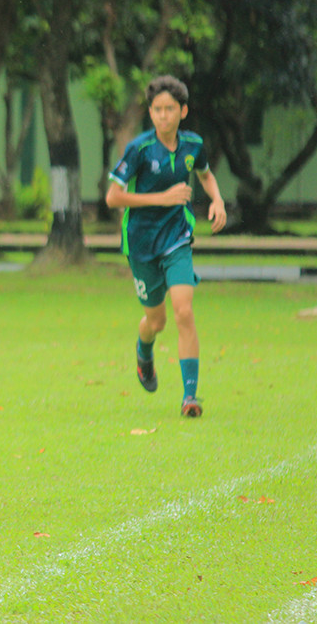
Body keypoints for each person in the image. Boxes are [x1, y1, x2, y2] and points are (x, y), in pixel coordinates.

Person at [105, 76, 226, 417]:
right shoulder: (140, 149)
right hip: (141, 244)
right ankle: (144, 352)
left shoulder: (193, 145)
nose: (163, 116)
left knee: (184, 311)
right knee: (155, 321)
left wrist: (217, 200)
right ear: (150, 113)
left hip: (177, 238)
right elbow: (113, 197)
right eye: (157, 109)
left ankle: (190, 397)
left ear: (182, 111)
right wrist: (163, 197)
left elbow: (205, 174)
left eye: (169, 109)